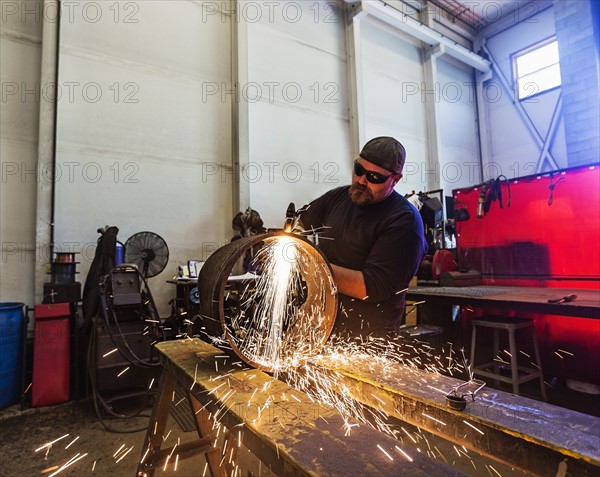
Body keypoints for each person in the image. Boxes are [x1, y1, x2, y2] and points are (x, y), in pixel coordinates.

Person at [299, 136, 428, 338]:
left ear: (395, 179)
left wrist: (310, 266)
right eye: (358, 170)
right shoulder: (338, 197)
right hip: (322, 329)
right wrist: (293, 242)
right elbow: (302, 222)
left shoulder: (404, 221)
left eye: (374, 177)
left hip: (367, 340)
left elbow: (370, 287)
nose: (361, 180)